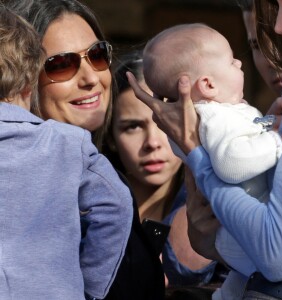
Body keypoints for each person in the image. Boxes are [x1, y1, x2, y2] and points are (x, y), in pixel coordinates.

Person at [127, 0, 282, 298]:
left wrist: (196, 152)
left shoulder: (210, 120)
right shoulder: (213, 116)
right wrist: (276, 137)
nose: (280, 29)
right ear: (207, 84)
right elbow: (233, 161)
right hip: (243, 243)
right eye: (253, 46)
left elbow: (275, 257)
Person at [4, 0, 166, 299]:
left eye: (97, 55)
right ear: (23, 77)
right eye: (61, 64)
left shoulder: (114, 172)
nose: (91, 78)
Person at [104, 51, 218, 292]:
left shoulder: (214, 201)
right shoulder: (90, 207)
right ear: (111, 137)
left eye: (162, 124)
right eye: (133, 126)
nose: (152, 142)